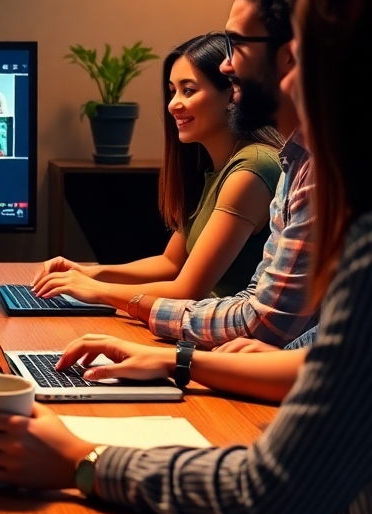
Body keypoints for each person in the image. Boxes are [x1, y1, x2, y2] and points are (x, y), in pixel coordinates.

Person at [0, 0, 372, 514]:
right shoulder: (309, 175)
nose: (235, 66)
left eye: (295, 52)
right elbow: (315, 353)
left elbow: (273, 500)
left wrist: (84, 462)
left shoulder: (315, 196)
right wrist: (187, 358)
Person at [80, 0, 334, 349]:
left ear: (290, 56)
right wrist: (87, 276)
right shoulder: (295, 163)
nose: (227, 65)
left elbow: (261, 324)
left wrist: (118, 299)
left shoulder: (294, 168)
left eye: (237, 45)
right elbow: (273, 321)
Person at [32, 33, 282, 310]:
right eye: (172, 90)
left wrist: (96, 290)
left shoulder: (251, 169)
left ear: (231, 94)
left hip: (227, 339)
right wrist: (86, 273)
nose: (173, 103)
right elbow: (170, 263)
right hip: (199, 325)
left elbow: (188, 289)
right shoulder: (216, 169)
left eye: (188, 90)